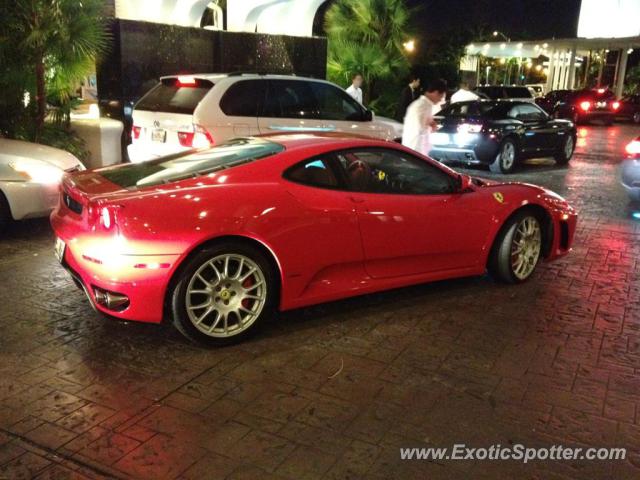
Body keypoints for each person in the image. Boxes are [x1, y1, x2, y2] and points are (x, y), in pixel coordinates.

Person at [401, 78, 447, 156]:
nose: (440, 100)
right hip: (415, 152)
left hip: (418, 152)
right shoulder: (421, 106)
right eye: (441, 97)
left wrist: (431, 124)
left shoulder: (426, 105)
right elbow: (418, 131)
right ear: (435, 93)